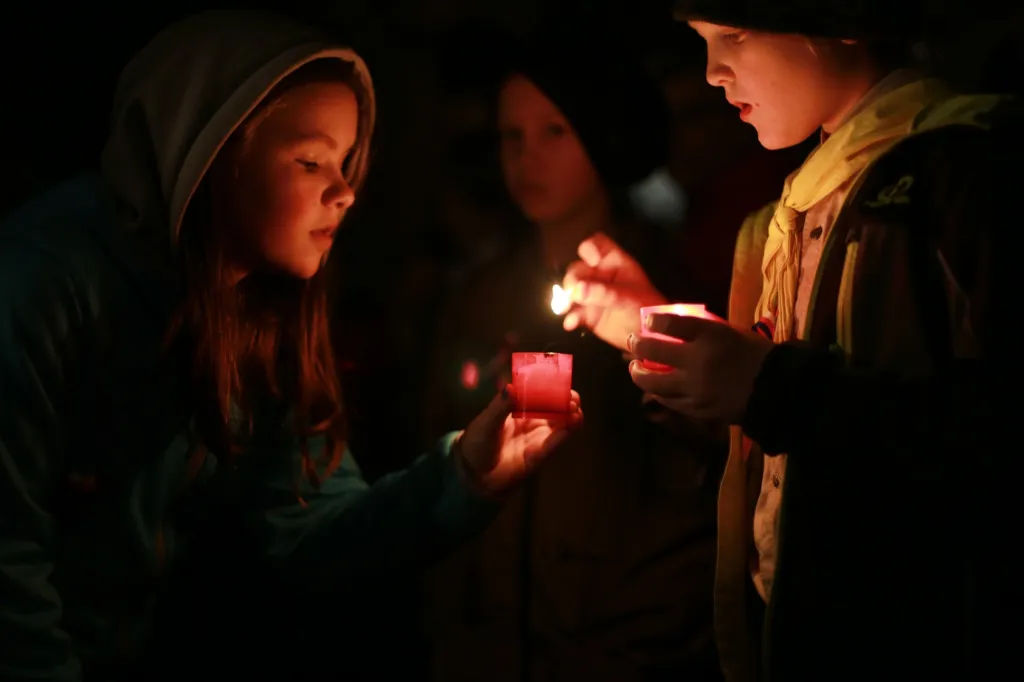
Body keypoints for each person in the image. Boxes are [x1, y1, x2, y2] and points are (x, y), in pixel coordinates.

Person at [0, 11, 583, 682]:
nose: (345, 191)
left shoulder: (261, 310)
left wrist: (466, 477)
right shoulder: (41, 284)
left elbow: (309, 527)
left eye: (346, 163)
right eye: (311, 161)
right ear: (210, 151)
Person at [564, 1, 1017, 680]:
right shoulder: (783, 218)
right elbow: (770, 456)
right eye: (702, 42)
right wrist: (654, 329)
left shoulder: (967, 171)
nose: (713, 72)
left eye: (736, 35)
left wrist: (770, 386)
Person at [420, 31, 723, 682]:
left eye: (554, 131)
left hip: (621, 651)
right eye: (512, 136)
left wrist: (643, 641)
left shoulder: (667, 289)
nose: (528, 158)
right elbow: (436, 464)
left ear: (602, 132)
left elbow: (704, 476)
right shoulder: (478, 299)